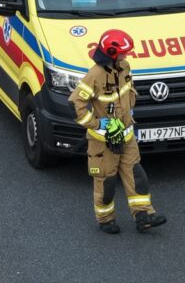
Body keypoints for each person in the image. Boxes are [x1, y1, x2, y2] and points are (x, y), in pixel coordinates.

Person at [69, 29, 167, 234]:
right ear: (112, 53)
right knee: (107, 181)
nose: (126, 55)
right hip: (103, 142)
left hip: (126, 136)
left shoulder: (124, 67)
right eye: (123, 52)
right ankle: (105, 219)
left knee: (136, 176)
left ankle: (143, 215)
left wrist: (129, 114)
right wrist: (97, 124)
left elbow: (127, 92)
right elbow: (75, 104)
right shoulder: (94, 75)